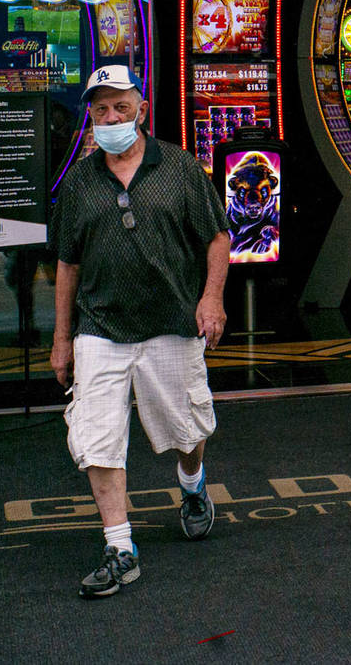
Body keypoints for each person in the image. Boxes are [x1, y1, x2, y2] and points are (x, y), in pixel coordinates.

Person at [51, 64, 231, 599]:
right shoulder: (80, 182)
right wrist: (63, 338)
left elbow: (217, 238)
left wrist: (211, 297)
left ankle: (193, 485)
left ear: (141, 110)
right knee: (97, 437)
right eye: (101, 109)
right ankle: (119, 545)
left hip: (170, 325)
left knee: (187, 432)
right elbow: (67, 264)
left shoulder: (179, 169)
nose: (111, 118)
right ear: (91, 117)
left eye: (121, 107)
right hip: (101, 329)